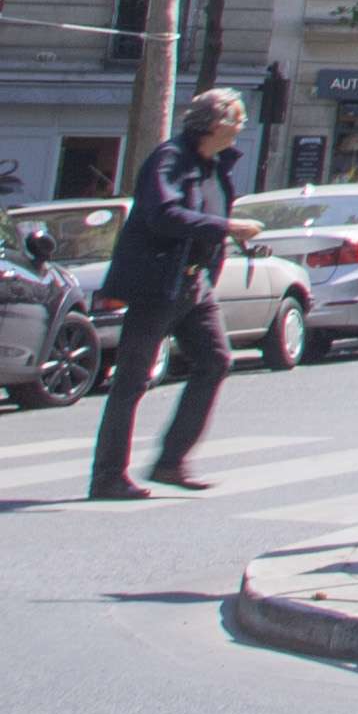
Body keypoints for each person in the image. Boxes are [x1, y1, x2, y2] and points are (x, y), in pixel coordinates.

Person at [87, 88, 251, 499]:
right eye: (237, 119)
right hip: (159, 284)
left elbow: (206, 217)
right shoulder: (170, 158)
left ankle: (171, 462)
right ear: (213, 123)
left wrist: (224, 239)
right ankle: (108, 476)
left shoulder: (214, 165)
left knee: (215, 360)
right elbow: (163, 215)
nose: (242, 126)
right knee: (132, 380)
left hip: (195, 284)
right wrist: (227, 229)